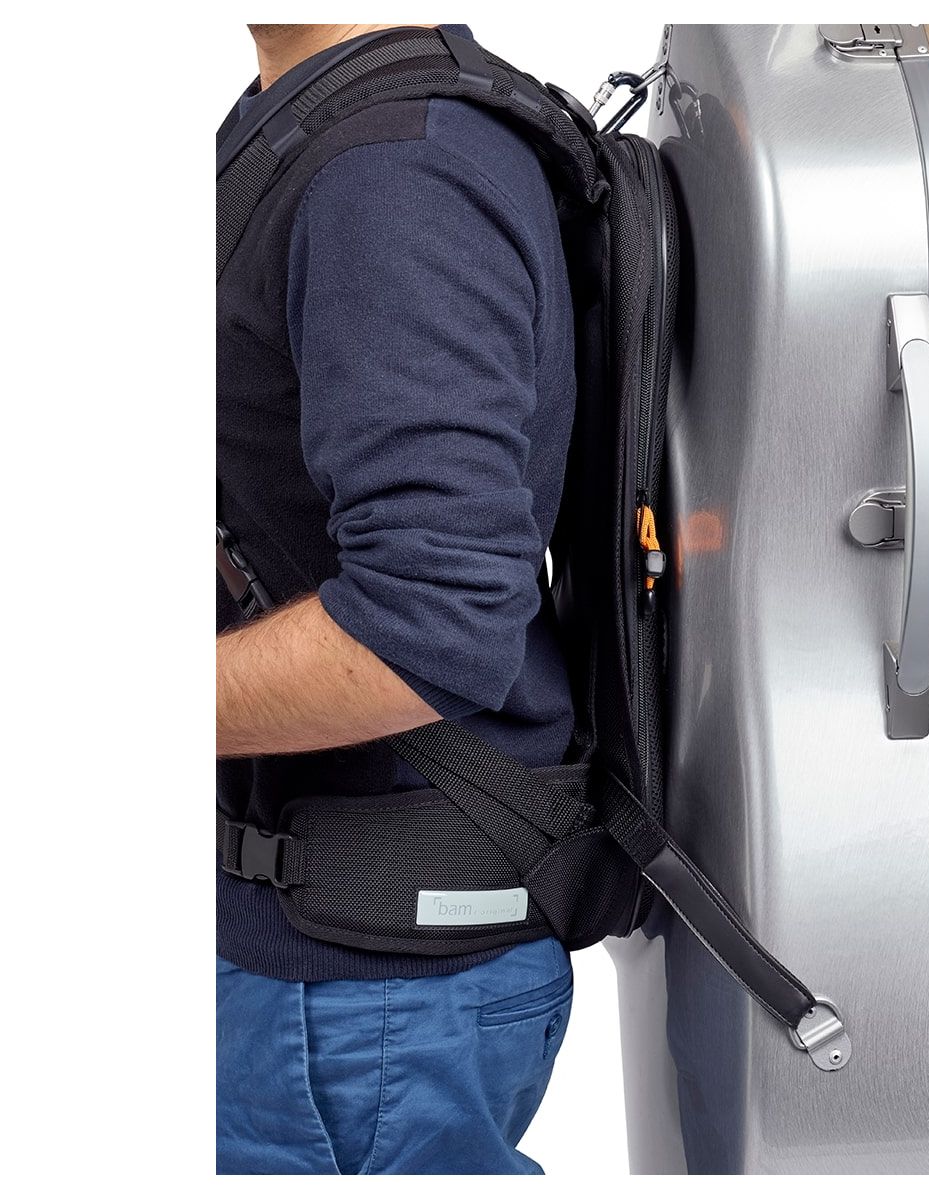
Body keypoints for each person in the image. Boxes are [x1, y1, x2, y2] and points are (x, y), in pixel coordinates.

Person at [216, 22, 577, 1174]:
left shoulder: (389, 175)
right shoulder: (305, 123)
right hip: (334, 986)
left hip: (355, 1010)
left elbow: (429, 627)